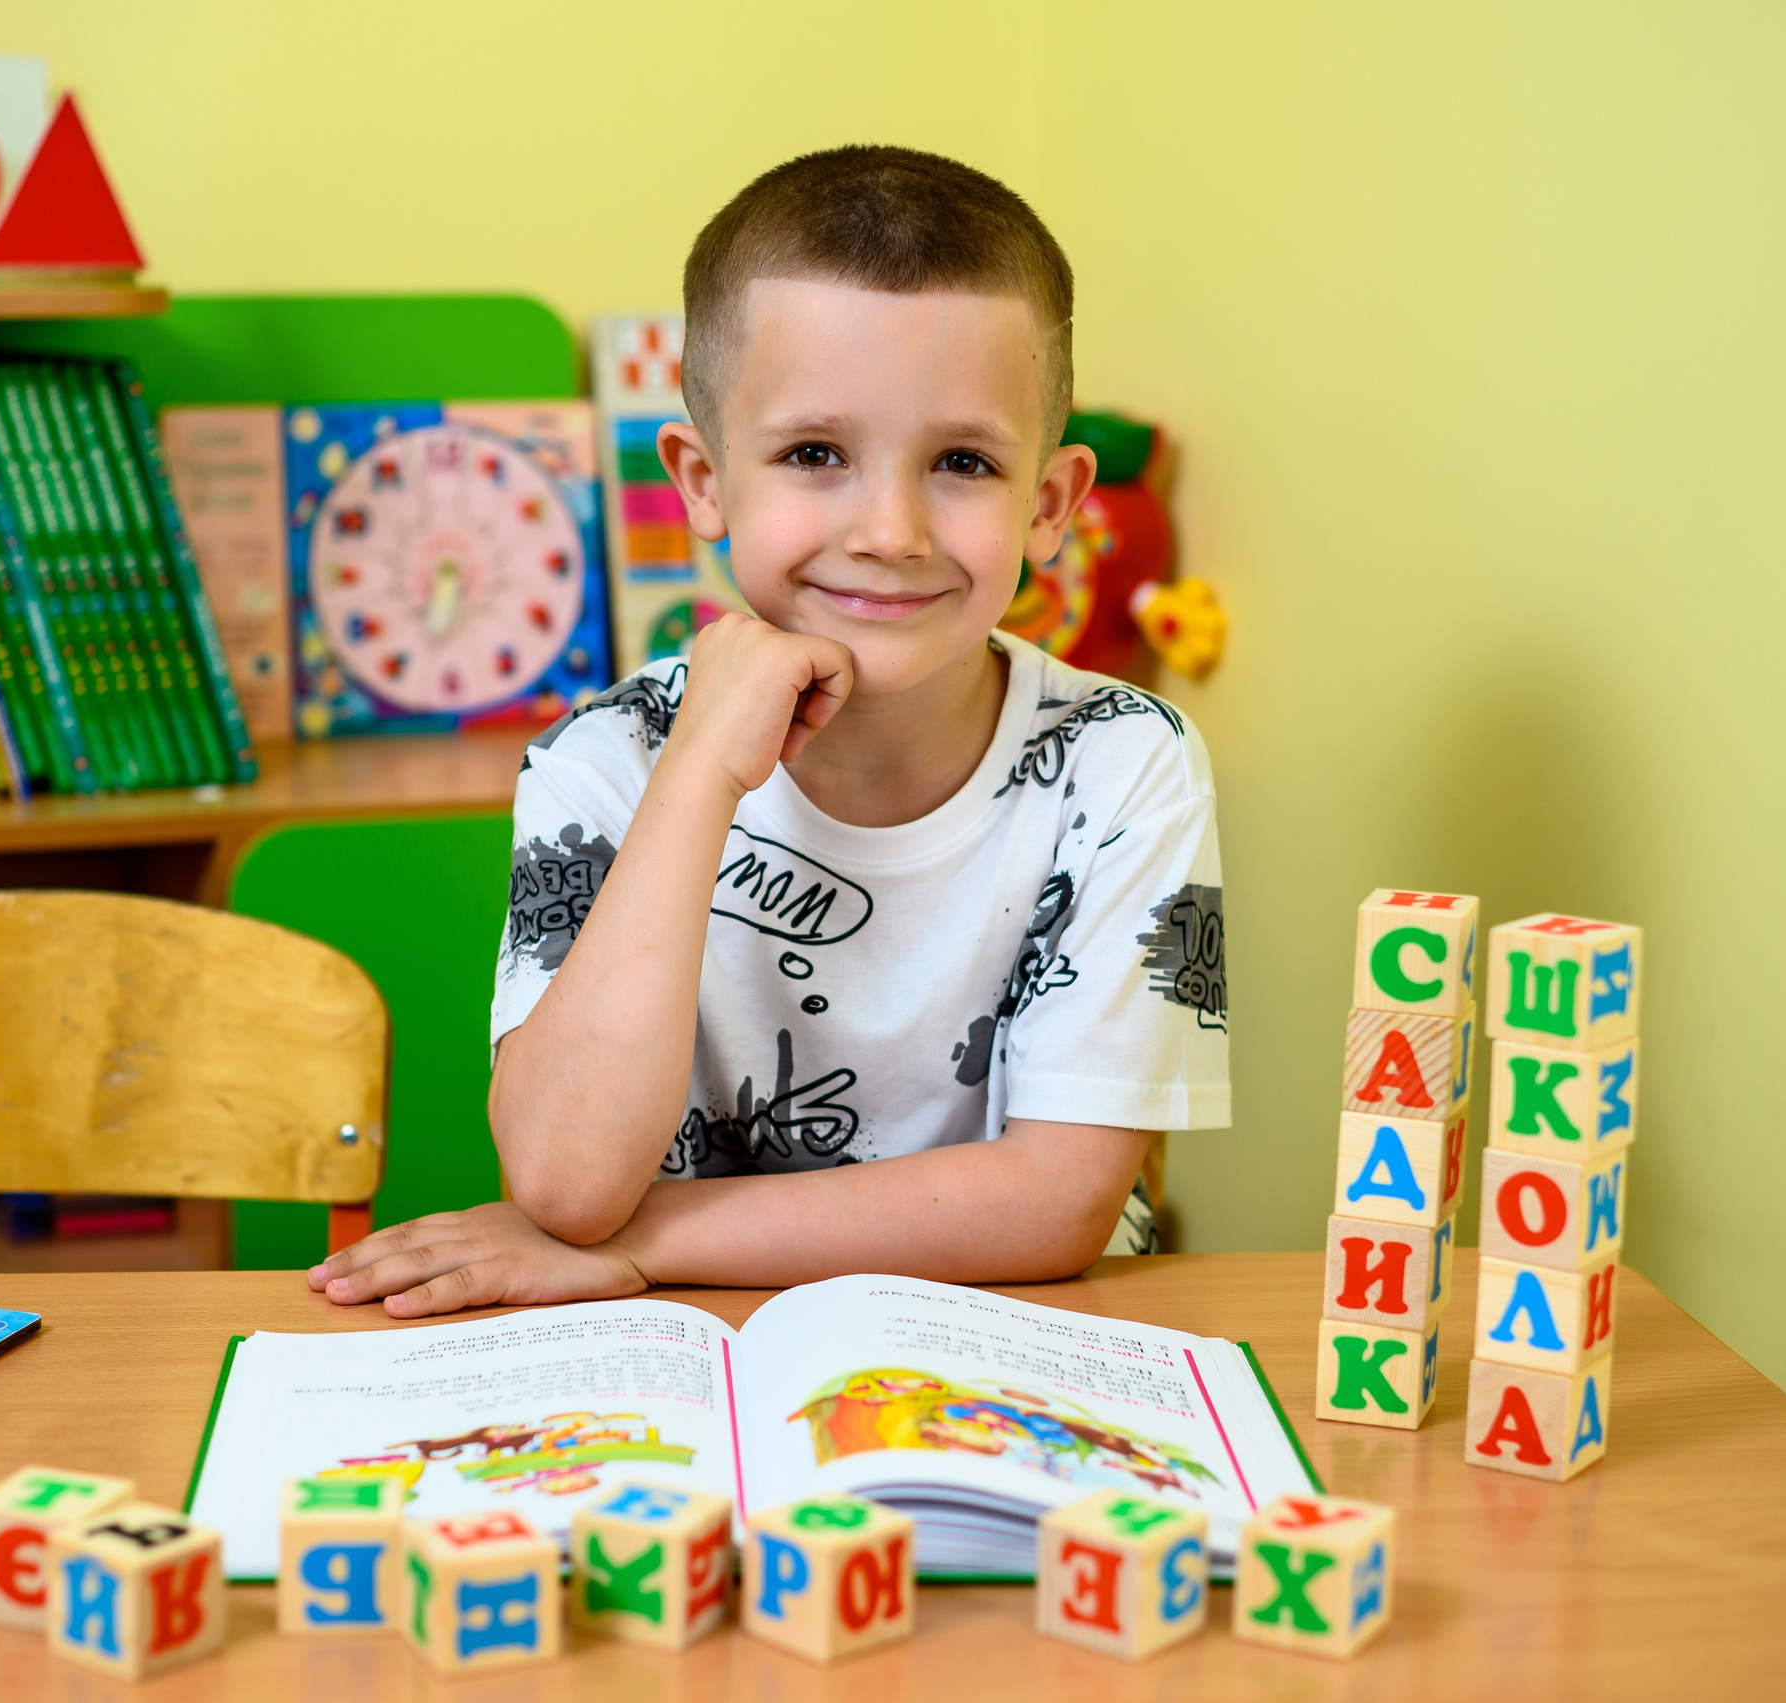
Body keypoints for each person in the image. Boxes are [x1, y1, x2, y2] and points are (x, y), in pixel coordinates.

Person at [313, 145, 1228, 1317]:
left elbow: (1058, 1204)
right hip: (687, 1344)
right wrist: (700, 769)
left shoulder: (1129, 760)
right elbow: (563, 1180)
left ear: (1048, 504)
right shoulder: (602, 758)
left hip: (1013, 1336)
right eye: (814, 454)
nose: (889, 531)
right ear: (702, 480)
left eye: (961, 461)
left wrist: (645, 1244)